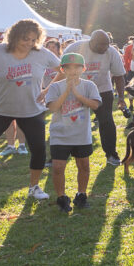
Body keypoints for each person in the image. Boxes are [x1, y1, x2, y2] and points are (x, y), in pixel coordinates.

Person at [0, 19, 62, 199]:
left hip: (32, 110)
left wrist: (47, 90)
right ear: (13, 37)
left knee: (38, 149)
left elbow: (64, 69)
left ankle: (34, 187)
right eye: (25, 39)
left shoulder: (42, 53)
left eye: (33, 39)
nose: (29, 43)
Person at [45, 52, 103, 212]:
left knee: (83, 165)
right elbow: (53, 107)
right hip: (60, 134)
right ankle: (62, 198)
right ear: (62, 70)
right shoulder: (56, 86)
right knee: (58, 167)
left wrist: (77, 94)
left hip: (81, 134)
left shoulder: (89, 86)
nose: (73, 70)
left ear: (83, 68)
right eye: (68, 67)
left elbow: (95, 105)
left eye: (77, 67)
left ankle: (81, 195)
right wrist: (67, 91)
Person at [62, 30, 128, 167]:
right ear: (92, 42)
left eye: (107, 45)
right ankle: (60, 155)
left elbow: (119, 76)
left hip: (102, 90)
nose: (104, 48)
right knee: (69, 121)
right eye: (101, 45)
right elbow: (61, 71)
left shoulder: (111, 52)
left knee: (107, 122)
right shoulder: (75, 48)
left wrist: (121, 97)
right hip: (76, 89)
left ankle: (111, 154)